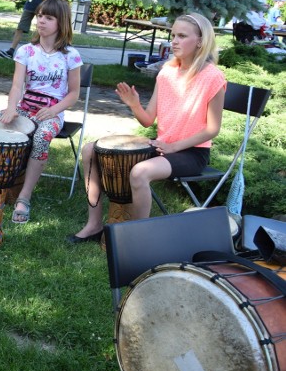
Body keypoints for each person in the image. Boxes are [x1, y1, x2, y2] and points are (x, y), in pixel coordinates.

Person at [69, 13, 226, 243]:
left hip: (192, 152)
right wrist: (134, 104)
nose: (174, 41)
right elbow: (147, 120)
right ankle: (94, 225)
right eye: (173, 35)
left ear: (201, 41)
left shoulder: (213, 77)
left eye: (182, 36)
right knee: (89, 150)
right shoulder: (167, 72)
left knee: (140, 172)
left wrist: (174, 147)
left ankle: (136, 239)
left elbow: (212, 129)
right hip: (162, 145)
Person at [0, 0, 82, 223]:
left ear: (61, 22)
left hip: (51, 111)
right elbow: (17, 85)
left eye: (48, 17)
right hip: (24, 107)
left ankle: (24, 196)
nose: (41, 21)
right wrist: (10, 109)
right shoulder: (26, 50)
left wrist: (54, 110)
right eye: (40, 15)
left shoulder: (70, 55)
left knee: (42, 137)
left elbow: (73, 94)